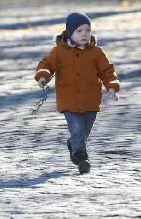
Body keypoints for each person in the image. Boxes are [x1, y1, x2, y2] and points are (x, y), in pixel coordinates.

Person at [34, 12, 120, 174]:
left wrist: (112, 86)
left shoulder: (96, 53)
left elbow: (107, 71)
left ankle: (74, 144)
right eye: (79, 31)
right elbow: (46, 64)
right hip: (69, 101)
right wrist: (43, 76)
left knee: (84, 130)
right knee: (77, 128)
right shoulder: (59, 52)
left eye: (87, 30)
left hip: (90, 101)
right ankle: (82, 157)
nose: (84, 34)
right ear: (70, 32)